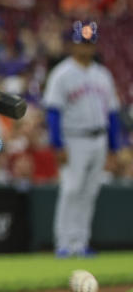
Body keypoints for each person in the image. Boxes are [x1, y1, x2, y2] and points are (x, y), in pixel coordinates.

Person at [42, 21, 124, 258]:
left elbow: (112, 113)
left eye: (90, 43)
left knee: (89, 192)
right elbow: (53, 112)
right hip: (73, 139)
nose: (86, 48)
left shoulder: (102, 74)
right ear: (73, 45)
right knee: (71, 189)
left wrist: (113, 147)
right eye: (82, 43)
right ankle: (64, 243)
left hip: (98, 138)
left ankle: (80, 242)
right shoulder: (62, 74)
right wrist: (58, 144)